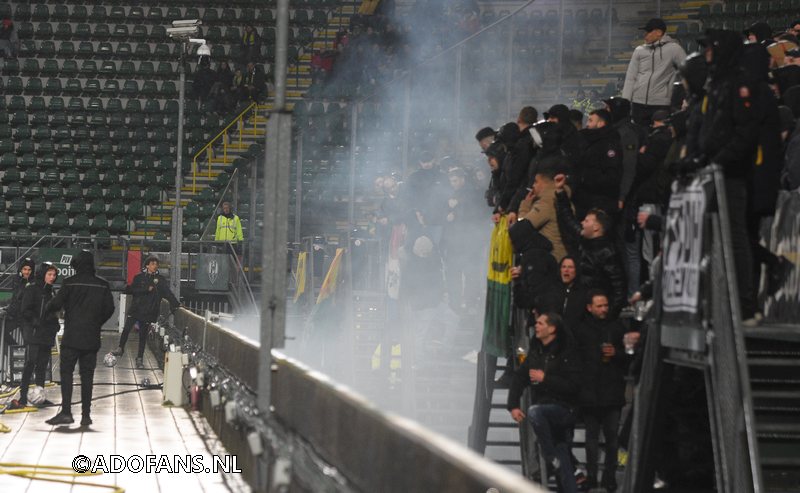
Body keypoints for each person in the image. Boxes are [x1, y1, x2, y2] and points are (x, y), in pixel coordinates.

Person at [508, 312, 581, 493]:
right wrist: (513, 405)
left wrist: (545, 379)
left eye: (540, 323)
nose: (536, 326)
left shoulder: (567, 353)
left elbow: (574, 386)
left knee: (534, 412)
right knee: (562, 456)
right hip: (545, 410)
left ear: (552, 328)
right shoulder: (536, 353)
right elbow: (519, 378)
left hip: (564, 408)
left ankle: (550, 457)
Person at [44, 251, 115, 426]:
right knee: (87, 376)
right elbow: (110, 308)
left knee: (67, 373)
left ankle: (66, 412)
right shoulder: (102, 285)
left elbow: (55, 304)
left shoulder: (69, 283)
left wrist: (47, 308)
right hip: (91, 338)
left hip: (72, 337)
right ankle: (86, 415)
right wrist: (97, 322)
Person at [575, 290, 628, 492]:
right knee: (591, 440)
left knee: (612, 440)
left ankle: (609, 478)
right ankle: (591, 477)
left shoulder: (616, 328)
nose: (604, 309)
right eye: (599, 305)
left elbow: (630, 356)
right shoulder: (581, 330)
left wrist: (617, 353)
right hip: (590, 394)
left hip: (612, 393)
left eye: (605, 305)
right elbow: (576, 359)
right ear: (590, 308)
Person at [555, 173, 628, 317]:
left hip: (596, 313)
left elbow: (619, 288)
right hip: (582, 307)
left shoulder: (608, 253)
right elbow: (568, 219)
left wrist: (607, 314)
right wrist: (560, 192)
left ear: (596, 227)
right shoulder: (583, 239)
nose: (582, 223)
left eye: (587, 221)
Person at [7, 263, 59, 410]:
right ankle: (23, 397)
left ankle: (40, 396)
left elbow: (52, 311)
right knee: (30, 364)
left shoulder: (51, 291)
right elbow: (25, 310)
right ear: (43, 274)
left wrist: (55, 324)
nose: (52, 278)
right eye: (49, 274)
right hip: (34, 333)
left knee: (42, 366)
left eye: (54, 275)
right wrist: (36, 322)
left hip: (46, 334)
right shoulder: (32, 289)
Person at [112, 257, 180, 368]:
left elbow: (168, 293)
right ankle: (120, 348)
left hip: (149, 312)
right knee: (126, 329)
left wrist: (176, 303)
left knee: (143, 336)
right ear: (147, 266)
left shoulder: (160, 280)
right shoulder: (139, 278)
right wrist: (145, 289)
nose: (155, 266)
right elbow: (131, 290)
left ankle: (139, 359)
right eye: (153, 264)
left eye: (156, 264)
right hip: (136, 309)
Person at [622, 18, 687, 126]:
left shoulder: (674, 49)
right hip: (638, 104)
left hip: (661, 104)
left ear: (659, 32)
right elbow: (630, 77)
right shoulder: (639, 50)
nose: (645, 35)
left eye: (648, 32)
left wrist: (686, 98)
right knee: (640, 137)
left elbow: (688, 70)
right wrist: (625, 103)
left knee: (660, 136)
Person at [573, 109, 623, 219]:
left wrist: (585, 178)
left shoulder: (609, 144)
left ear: (601, 123)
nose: (587, 124)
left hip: (600, 201)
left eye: (590, 121)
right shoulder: (587, 140)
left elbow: (612, 176)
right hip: (585, 198)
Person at [3, 258, 35, 342]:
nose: (27, 272)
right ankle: (14, 348)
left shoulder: (34, 282)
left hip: (27, 318)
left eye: (29, 270)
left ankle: (25, 351)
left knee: (28, 340)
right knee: (2, 330)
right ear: (21, 269)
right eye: (24, 269)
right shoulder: (16, 279)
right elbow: (16, 297)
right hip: (15, 316)